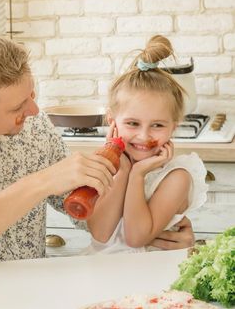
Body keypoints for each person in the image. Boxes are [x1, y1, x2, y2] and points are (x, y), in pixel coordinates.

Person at [0, 33, 195, 270]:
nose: (34, 110)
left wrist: (159, 231)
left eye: (31, 96)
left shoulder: (32, 126)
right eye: (18, 107)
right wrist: (42, 182)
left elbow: (88, 215)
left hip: (30, 290)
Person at [83, 35, 208, 255]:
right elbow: (100, 234)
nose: (143, 135)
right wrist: (123, 170)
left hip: (148, 280)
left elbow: (136, 237)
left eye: (157, 125)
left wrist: (137, 174)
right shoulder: (107, 167)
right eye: (132, 123)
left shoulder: (177, 177)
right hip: (101, 273)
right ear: (112, 122)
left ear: (173, 128)